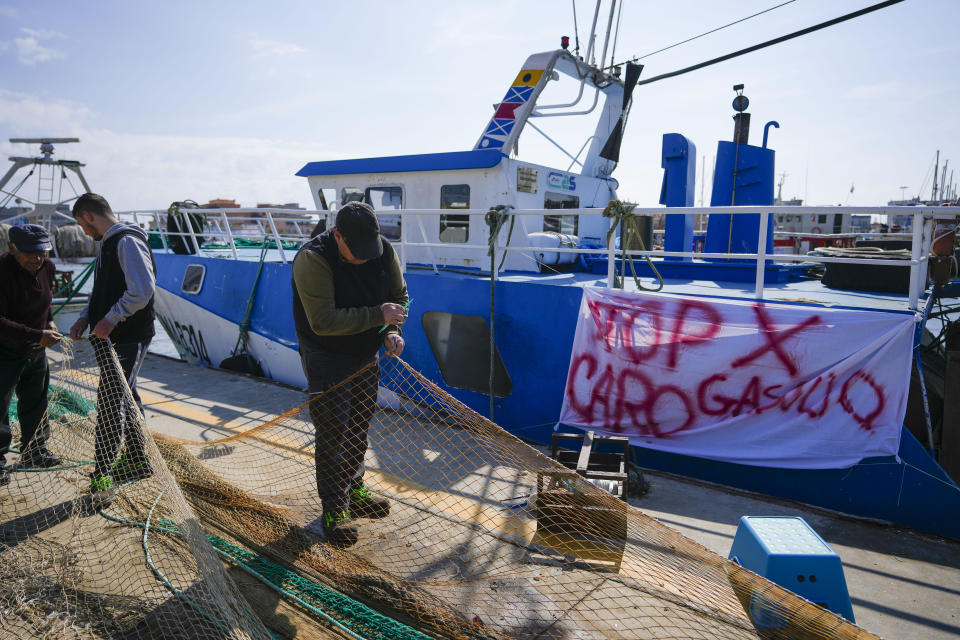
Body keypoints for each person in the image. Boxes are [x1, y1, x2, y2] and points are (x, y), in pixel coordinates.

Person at [292, 201, 408, 546]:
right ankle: (334, 510)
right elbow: (323, 321)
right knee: (333, 435)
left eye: (368, 249)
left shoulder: (383, 251)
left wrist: (392, 332)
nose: (363, 258)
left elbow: (399, 298)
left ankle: (354, 491)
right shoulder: (313, 259)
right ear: (338, 236)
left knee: (359, 427)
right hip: (326, 356)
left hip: (365, 355)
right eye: (356, 251)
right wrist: (378, 317)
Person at [69, 193, 156, 503]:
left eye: (81, 224)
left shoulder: (126, 241)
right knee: (126, 396)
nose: (82, 231)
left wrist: (110, 318)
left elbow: (143, 290)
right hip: (110, 337)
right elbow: (102, 290)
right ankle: (138, 458)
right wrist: (84, 318)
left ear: (89, 216)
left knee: (110, 402)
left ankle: (102, 474)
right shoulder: (108, 243)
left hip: (128, 337)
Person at [0, 225, 63, 485]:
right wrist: (36, 335)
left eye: (42, 251)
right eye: (30, 253)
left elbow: (46, 301)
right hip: (4, 350)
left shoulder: (47, 267)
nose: (37, 258)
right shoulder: (1, 272)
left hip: (36, 349)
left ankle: (35, 451)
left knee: (36, 401)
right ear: (12, 248)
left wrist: (49, 322)